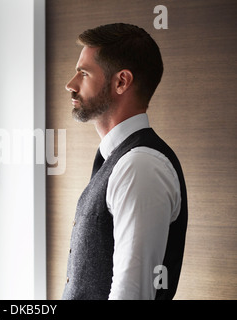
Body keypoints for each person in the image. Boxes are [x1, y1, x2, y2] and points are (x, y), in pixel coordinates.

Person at [62, 23, 188, 300]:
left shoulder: (140, 165)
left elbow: (131, 293)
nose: (70, 85)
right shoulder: (120, 159)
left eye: (83, 73)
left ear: (121, 81)